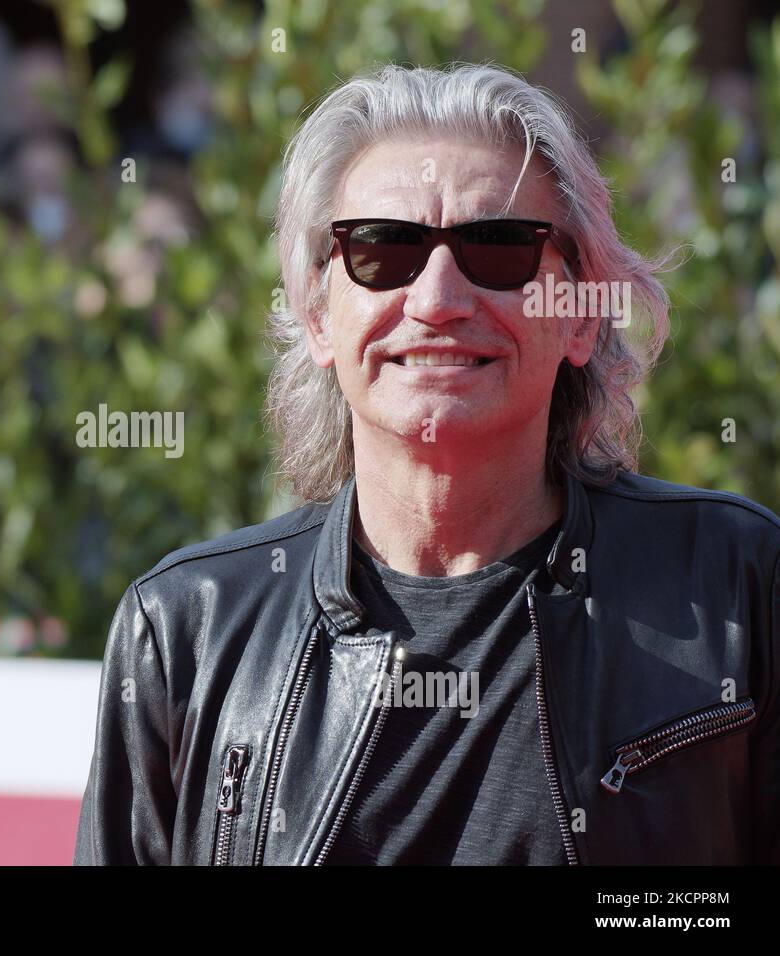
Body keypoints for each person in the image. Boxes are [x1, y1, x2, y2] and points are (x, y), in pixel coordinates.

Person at [72, 62, 780, 865]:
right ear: (317, 315)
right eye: (382, 249)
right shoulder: (184, 629)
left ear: (581, 316)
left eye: (500, 247)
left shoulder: (740, 585)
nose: (438, 297)